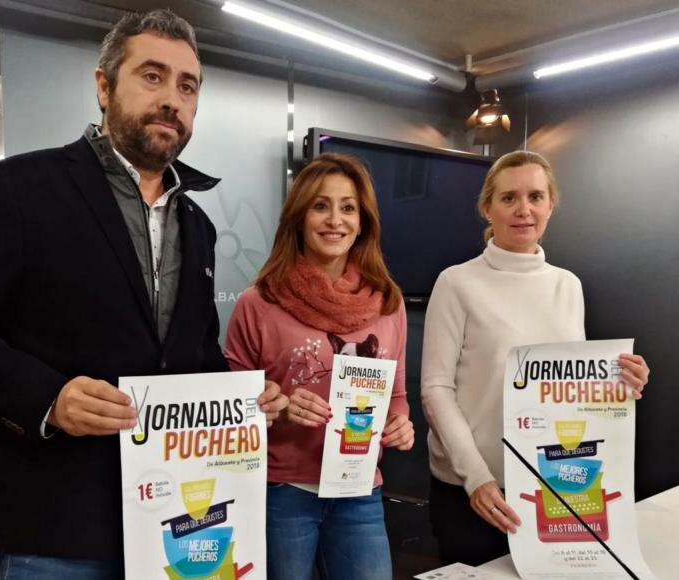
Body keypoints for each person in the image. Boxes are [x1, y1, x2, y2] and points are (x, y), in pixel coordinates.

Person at [0, 9, 285, 579]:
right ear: (104, 87)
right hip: (59, 529)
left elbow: (195, 355)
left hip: (175, 526)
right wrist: (49, 398)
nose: (172, 99)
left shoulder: (198, 225)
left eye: (188, 86)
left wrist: (243, 403)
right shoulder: (22, 189)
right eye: (152, 76)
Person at [420, 150, 650, 566]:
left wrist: (620, 381)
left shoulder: (568, 285)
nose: (523, 209)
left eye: (535, 197)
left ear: (551, 205)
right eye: (508, 198)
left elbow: (571, 387)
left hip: (552, 484)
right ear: (487, 208)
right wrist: (477, 479)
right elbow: (436, 390)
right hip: (474, 493)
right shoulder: (456, 283)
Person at [225, 153, 414, 580]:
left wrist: (400, 424)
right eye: (320, 205)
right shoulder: (258, 303)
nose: (335, 220)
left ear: (362, 221)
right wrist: (279, 407)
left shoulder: (389, 302)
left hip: (360, 489)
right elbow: (232, 412)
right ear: (299, 217)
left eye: (348, 207)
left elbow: (397, 397)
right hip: (282, 492)